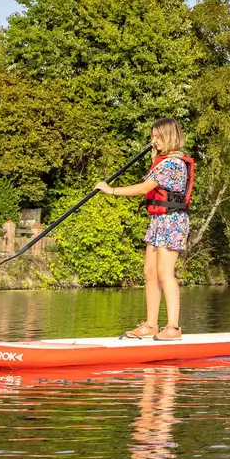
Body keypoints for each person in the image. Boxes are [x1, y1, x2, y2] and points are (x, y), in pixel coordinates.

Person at [97, 119, 195, 341]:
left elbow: (144, 188)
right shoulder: (161, 162)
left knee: (164, 273)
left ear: (169, 136)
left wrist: (111, 190)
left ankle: (173, 327)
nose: (154, 141)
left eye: (158, 137)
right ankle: (151, 325)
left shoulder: (172, 164)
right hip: (158, 221)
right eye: (153, 136)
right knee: (149, 272)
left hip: (172, 221)